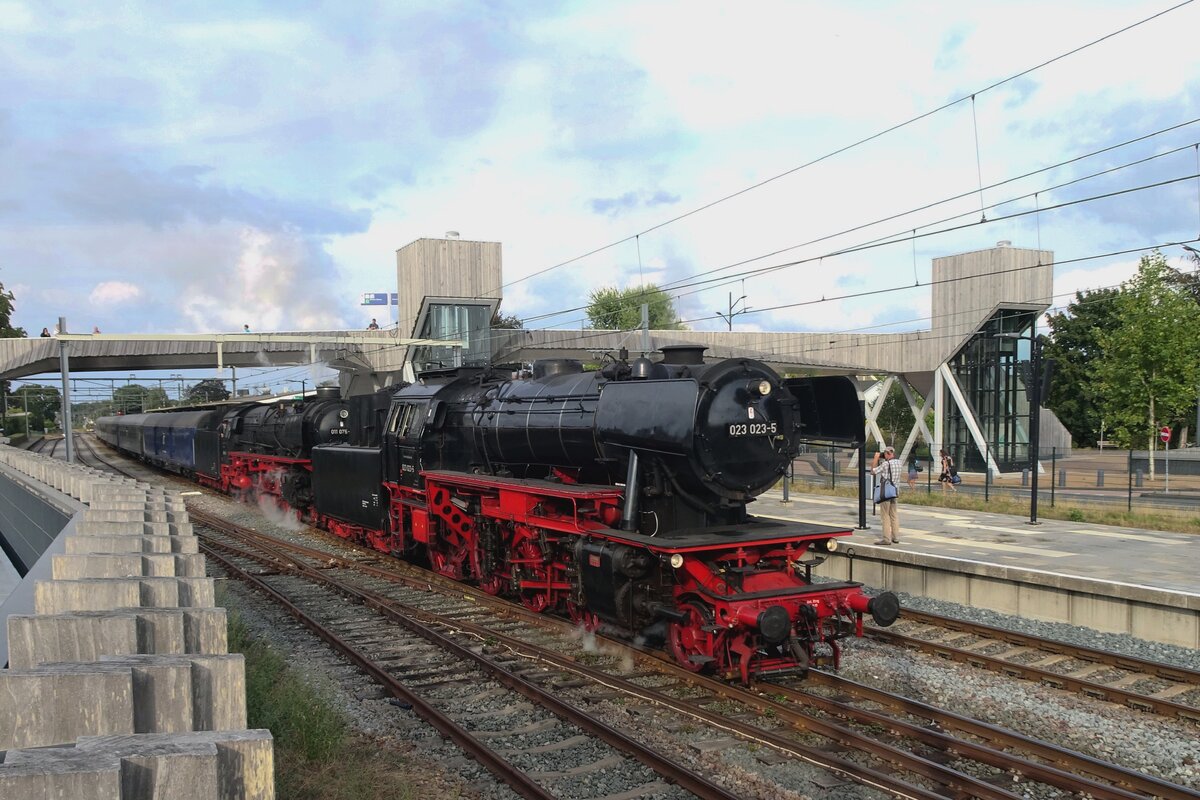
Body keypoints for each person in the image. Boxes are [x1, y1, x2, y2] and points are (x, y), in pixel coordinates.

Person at [871, 445, 902, 545]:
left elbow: (873, 471)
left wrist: (876, 458)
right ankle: (896, 537)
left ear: (888, 453)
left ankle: (886, 539)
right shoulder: (899, 462)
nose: (883, 455)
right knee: (894, 515)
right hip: (895, 491)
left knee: (885, 516)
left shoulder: (885, 464)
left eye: (884, 453)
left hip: (886, 493)